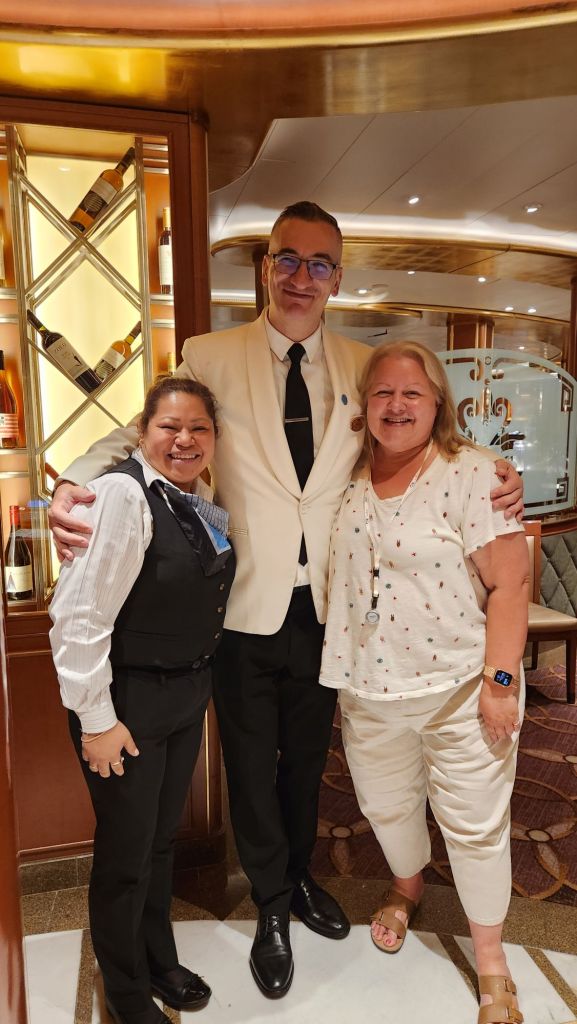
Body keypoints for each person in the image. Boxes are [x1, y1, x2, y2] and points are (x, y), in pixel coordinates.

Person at [47, 202, 523, 1000]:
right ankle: (269, 900)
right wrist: (71, 478)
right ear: (265, 267)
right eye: (287, 260)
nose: (302, 277)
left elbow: (419, 430)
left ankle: (299, 876)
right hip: (240, 606)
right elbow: (144, 430)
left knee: (306, 761)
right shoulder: (210, 353)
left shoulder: (362, 363)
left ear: (338, 276)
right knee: (248, 762)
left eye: (319, 263)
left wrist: (499, 472)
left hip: (333, 614)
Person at [319, 340, 528, 1024]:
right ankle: (406, 886)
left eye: (412, 392)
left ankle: (491, 958)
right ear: (364, 404)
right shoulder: (342, 474)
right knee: (386, 808)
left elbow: (510, 583)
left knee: (474, 825)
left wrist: (500, 681)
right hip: (368, 691)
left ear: (438, 402)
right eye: (382, 391)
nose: (397, 404)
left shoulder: (475, 475)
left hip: (463, 689)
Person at [49, 376, 235, 1024]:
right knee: (126, 855)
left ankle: (158, 958)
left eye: (199, 429)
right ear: (141, 432)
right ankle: (125, 991)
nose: (185, 440)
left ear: (214, 438)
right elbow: (77, 618)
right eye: (169, 427)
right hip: (126, 702)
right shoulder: (121, 495)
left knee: (158, 843)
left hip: (183, 697)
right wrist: (97, 722)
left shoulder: (200, 499)